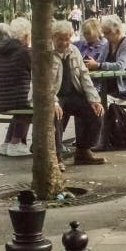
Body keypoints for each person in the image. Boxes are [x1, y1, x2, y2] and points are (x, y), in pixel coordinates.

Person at [51, 20, 106, 166]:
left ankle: (83, 150)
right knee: (54, 115)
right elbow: (42, 83)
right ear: (53, 37)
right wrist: (53, 102)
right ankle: (55, 157)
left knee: (96, 113)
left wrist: (94, 99)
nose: (64, 42)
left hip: (73, 94)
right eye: (60, 39)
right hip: (55, 96)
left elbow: (84, 75)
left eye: (67, 38)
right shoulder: (46, 53)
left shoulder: (74, 50)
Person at [0, 18, 33, 158]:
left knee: (19, 112)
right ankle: (16, 143)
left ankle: (7, 143)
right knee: (27, 110)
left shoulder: (2, 50)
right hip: (17, 97)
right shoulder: (24, 52)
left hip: (1, 98)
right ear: (26, 36)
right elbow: (34, 70)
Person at [84, 15, 126, 100]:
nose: (104, 36)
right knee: (88, 97)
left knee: (101, 101)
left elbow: (120, 66)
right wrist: (90, 65)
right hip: (109, 87)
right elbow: (99, 62)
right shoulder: (107, 45)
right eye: (103, 33)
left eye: (107, 33)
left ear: (117, 31)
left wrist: (98, 65)